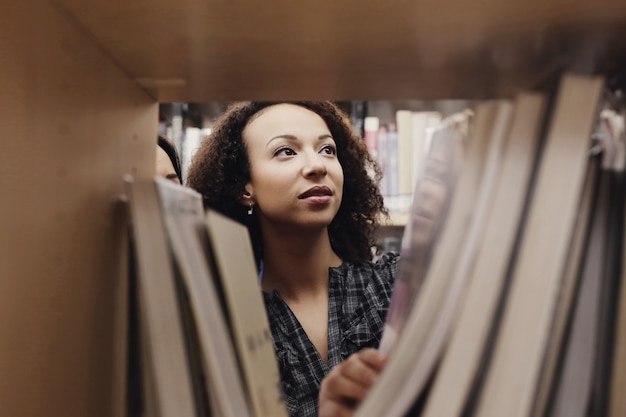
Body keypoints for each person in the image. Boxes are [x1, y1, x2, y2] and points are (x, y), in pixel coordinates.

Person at [186, 101, 399, 417]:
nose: (317, 166)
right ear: (245, 187)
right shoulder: (224, 322)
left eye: (327, 150)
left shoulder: (398, 284)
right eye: (286, 151)